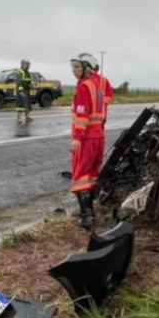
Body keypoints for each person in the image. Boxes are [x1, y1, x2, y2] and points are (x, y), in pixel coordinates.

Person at [69, 53, 106, 231]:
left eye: (77, 67)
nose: (73, 70)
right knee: (92, 173)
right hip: (97, 135)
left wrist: (77, 138)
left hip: (87, 137)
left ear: (86, 68)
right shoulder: (97, 86)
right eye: (73, 67)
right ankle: (90, 210)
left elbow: (82, 115)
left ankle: (87, 216)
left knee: (81, 175)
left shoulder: (84, 86)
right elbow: (102, 113)